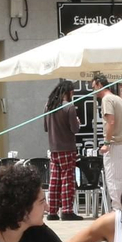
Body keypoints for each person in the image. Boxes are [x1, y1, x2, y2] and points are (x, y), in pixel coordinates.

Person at [43, 80, 80, 221]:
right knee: (67, 180)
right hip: (67, 148)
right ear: (68, 92)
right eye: (72, 92)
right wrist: (77, 122)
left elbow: (46, 128)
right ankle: (67, 211)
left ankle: (52, 211)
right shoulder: (69, 107)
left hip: (53, 148)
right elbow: (74, 129)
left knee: (54, 180)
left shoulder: (48, 106)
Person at [97, 74, 122, 213]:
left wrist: (106, 143)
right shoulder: (119, 99)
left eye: (94, 87)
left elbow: (110, 122)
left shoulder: (107, 99)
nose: (93, 91)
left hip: (115, 144)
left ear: (99, 84)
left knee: (113, 178)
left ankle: (118, 210)